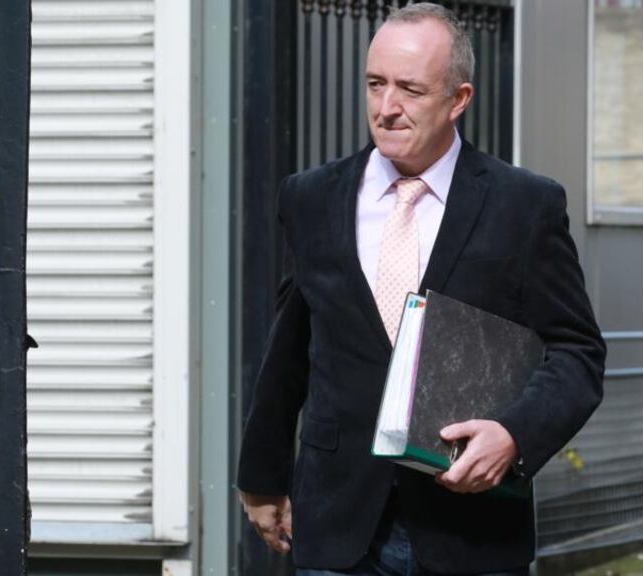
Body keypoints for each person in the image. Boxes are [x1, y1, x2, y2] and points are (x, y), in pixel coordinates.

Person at [236, 4, 606, 575]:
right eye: (375, 85)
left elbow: (578, 354)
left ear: (458, 99)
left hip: (470, 532)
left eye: (410, 90)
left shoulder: (524, 206)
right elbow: (289, 345)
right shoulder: (310, 198)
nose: (386, 108)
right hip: (337, 525)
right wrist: (261, 477)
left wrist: (514, 435)